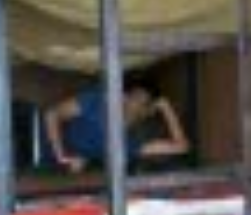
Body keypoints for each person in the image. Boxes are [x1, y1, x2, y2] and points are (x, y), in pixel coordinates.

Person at [42, 73, 190, 173]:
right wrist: (61, 155)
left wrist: (166, 107)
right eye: (134, 97)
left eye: (144, 104)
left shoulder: (129, 143)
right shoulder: (98, 101)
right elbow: (52, 114)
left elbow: (181, 147)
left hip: (57, 174)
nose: (135, 104)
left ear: (147, 113)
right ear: (124, 95)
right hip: (45, 149)